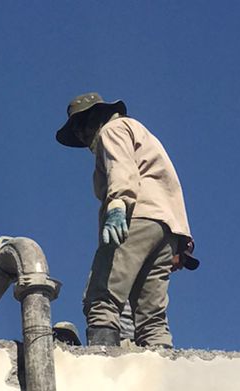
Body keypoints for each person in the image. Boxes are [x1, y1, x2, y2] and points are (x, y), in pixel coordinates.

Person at [56, 92, 198, 348]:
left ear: (94, 118)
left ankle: (104, 358)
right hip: (165, 229)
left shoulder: (112, 130)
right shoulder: (143, 135)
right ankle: (161, 362)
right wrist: (180, 238)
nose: (80, 136)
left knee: (102, 297)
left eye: (80, 127)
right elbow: (169, 187)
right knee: (151, 317)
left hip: (135, 219)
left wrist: (118, 204)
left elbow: (122, 168)